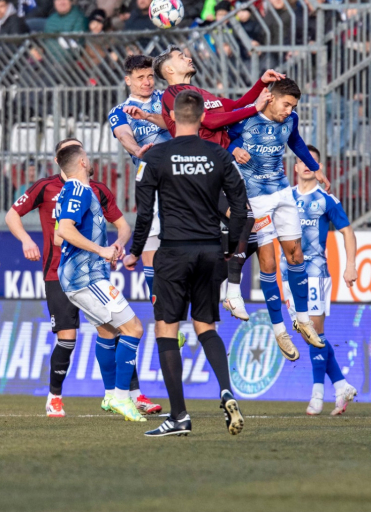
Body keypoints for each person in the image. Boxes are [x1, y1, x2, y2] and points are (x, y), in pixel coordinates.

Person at [4, 137, 160, 418]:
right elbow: (41, 224)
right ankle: (57, 396)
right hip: (69, 272)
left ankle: (121, 395)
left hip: (87, 270)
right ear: (71, 160)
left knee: (112, 329)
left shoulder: (94, 189)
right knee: (76, 337)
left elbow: (122, 226)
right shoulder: (56, 188)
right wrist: (27, 240)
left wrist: (116, 246)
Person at [123, 90, 248, 437]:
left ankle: (179, 417)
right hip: (210, 251)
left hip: (174, 252)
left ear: (172, 118)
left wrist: (134, 251)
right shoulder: (219, 154)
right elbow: (241, 206)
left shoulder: (157, 156)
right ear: (202, 119)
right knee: (206, 326)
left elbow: (145, 214)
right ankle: (225, 389)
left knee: (167, 328)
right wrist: (229, 246)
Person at [223, 78, 328, 358]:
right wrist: (233, 148)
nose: (289, 110)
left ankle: (303, 319)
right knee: (267, 262)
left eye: (293, 106)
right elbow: (221, 137)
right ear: (270, 98)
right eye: (286, 104)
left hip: (282, 192)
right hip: (255, 197)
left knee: (296, 256)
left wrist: (315, 168)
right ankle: (279, 329)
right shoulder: (246, 117)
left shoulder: (290, 119)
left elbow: (295, 141)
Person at [53, 143, 146, 422]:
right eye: (88, 157)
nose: (91, 160)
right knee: (134, 328)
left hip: (83, 274)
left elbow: (62, 233)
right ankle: (121, 397)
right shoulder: (79, 190)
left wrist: (107, 250)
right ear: (82, 162)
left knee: (107, 332)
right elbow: (66, 230)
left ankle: (109, 395)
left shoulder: (72, 191)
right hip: (85, 277)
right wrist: (101, 251)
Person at [281, 151, 359, 415]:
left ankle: (317, 394)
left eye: (311, 162)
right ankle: (341, 385)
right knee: (309, 333)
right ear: (294, 167)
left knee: (314, 329)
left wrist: (350, 265)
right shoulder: (285, 197)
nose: (306, 165)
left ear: (319, 168)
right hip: (288, 274)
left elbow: (348, 231)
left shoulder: (326, 200)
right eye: (302, 160)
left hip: (315, 272)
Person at [108, 54, 172, 298]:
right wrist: (137, 150)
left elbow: (175, 124)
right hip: (152, 182)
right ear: (128, 80)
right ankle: (163, 318)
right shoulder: (118, 112)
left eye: (149, 76)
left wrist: (146, 116)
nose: (147, 82)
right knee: (151, 253)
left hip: (180, 175)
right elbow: (124, 136)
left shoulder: (167, 99)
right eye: (140, 78)